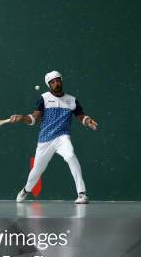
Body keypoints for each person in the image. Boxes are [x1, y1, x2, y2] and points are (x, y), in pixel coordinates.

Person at [10, 71, 98, 204]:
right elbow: (34, 119)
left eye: (57, 80)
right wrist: (22, 118)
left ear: (61, 81)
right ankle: (25, 190)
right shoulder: (44, 99)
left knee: (70, 156)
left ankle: (82, 193)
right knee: (37, 171)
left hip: (62, 137)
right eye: (52, 82)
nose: (56, 83)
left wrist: (88, 121)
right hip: (45, 140)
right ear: (49, 85)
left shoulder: (72, 100)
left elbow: (81, 116)